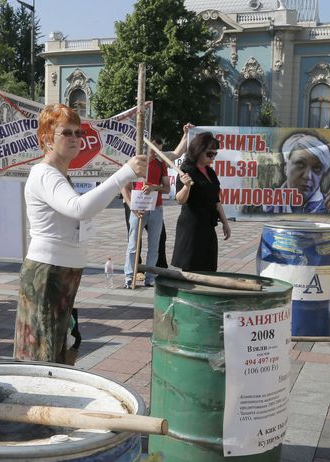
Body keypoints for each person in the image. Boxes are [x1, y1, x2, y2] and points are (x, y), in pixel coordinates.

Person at [13, 104, 146, 364]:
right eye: (67, 133)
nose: (76, 139)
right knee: (43, 356)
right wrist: (124, 174)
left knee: (63, 349)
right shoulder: (44, 173)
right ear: (47, 139)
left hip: (63, 270)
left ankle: (52, 400)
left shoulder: (59, 174)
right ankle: (39, 402)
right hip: (48, 272)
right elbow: (79, 209)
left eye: (79, 133)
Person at [171, 132, 231, 272]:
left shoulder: (210, 172)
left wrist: (225, 222)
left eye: (215, 154)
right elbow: (180, 200)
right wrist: (186, 186)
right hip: (192, 227)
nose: (213, 158)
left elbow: (216, 199)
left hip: (208, 225)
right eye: (209, 154)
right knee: (192, 267)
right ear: (198, 151)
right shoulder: (186, 170)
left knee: (209, 266)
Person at [122, 143, 170, 289]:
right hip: (138, 207)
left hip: (156, 207)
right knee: (133, 244)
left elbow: (167, 188)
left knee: (154, 245)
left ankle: (151, 277)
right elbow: (124, 186)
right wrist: (131, 206)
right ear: (148, 148)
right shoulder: (135, 162)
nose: (157, 153)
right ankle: (129, 277)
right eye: (156, 150)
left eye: (160, 150)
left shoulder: (161, 164)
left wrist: (154, 187)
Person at [263, 133, 330, 214]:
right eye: (300, 164)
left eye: (317, 168)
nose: (307, 176)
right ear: (285, 167)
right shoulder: (264, 204)